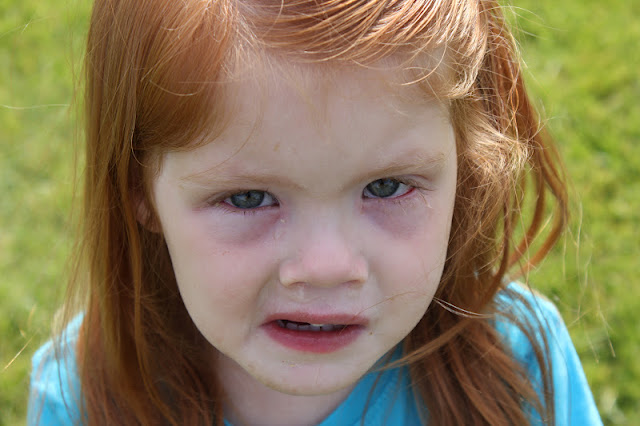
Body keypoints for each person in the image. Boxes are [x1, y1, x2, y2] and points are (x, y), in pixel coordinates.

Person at [27, 0, 602, 424]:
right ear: (139, 188)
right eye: (249, 198)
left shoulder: (517, 365)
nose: (327, 266)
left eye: (386, 187)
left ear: (465, 165)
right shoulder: (84, 399)